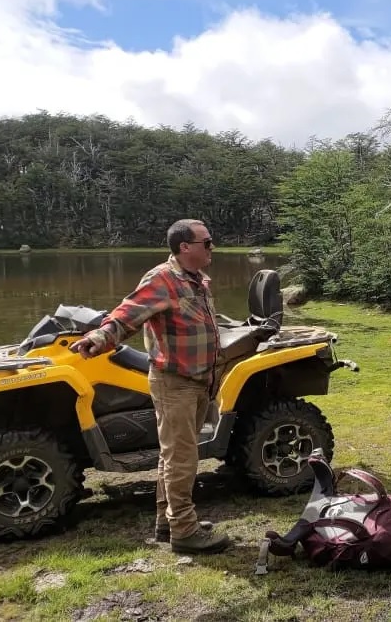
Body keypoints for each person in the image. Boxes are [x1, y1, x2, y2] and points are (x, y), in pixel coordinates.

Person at [70, 219, 231, 554]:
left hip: (200, 381)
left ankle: (167, 520)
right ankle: (185, 532)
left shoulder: (197, 279)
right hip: (176, 383)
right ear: (185, 247)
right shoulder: (162, 279)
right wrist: (99, 337)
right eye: (208, 242)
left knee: (172, 455)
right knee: (182, 458)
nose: (212, 247)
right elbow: (126, 314)